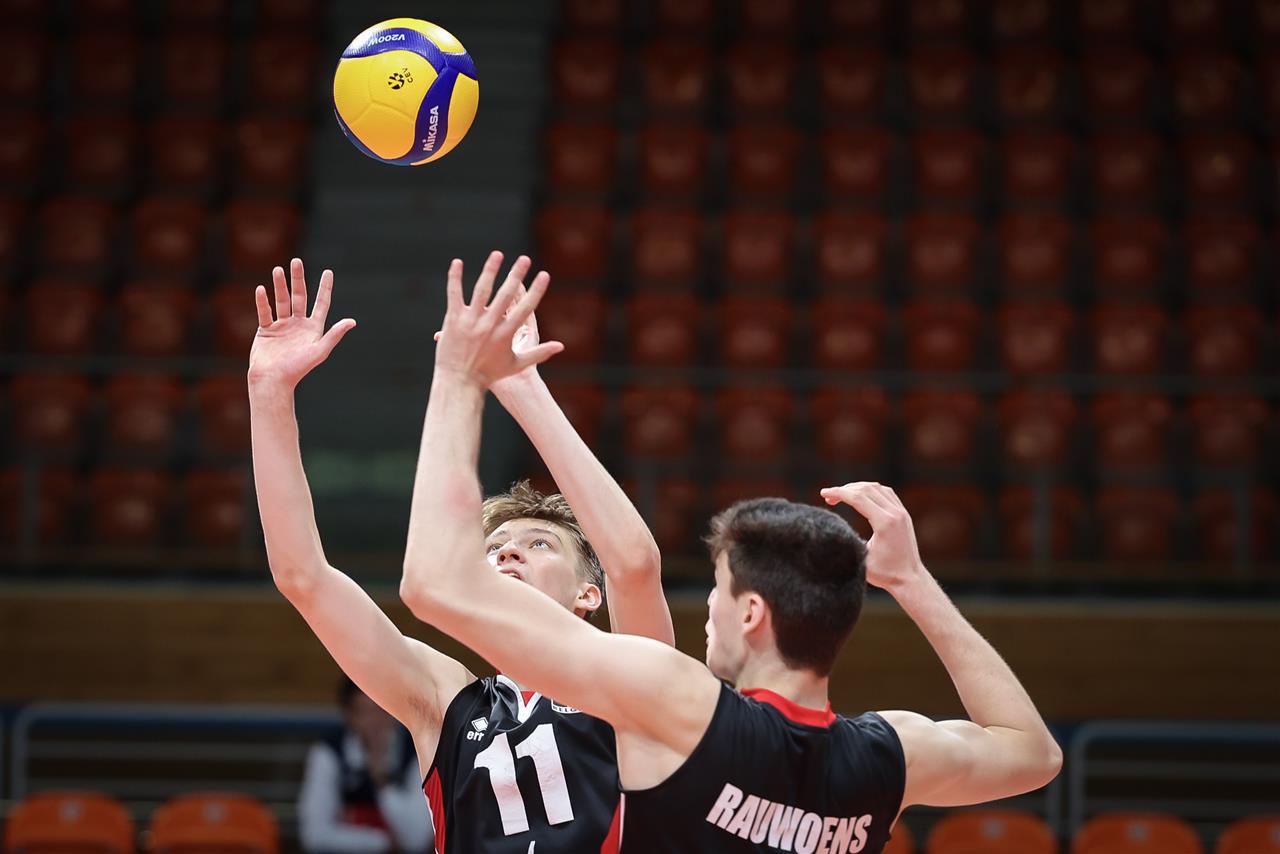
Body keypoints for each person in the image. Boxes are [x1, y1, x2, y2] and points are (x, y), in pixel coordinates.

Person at [401, 256, 1063, 853]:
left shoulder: (682, 710)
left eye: (719, 589)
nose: (709, 608)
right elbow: (1034, 754)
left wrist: (462, 378)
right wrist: (912, 581)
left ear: (751, 613)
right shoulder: (890, 758)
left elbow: (438, 583)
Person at [248, 257, 673, 852]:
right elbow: (303, 577)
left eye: (539, 544)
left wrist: (521, 389)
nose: (509, 553)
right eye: (493, 548)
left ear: (588, 594)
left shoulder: (629, 681)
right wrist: (268, 393)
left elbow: (634, 565)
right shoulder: (446, 697)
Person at [298, 678, 433, 854]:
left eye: (382, 710)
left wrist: (383, 783)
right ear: (349, 716)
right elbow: (314, 835)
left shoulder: (417, 752)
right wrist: (381, 843)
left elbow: (416, 839)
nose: (375, 722)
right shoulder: (328, 752)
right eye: (365, 712)